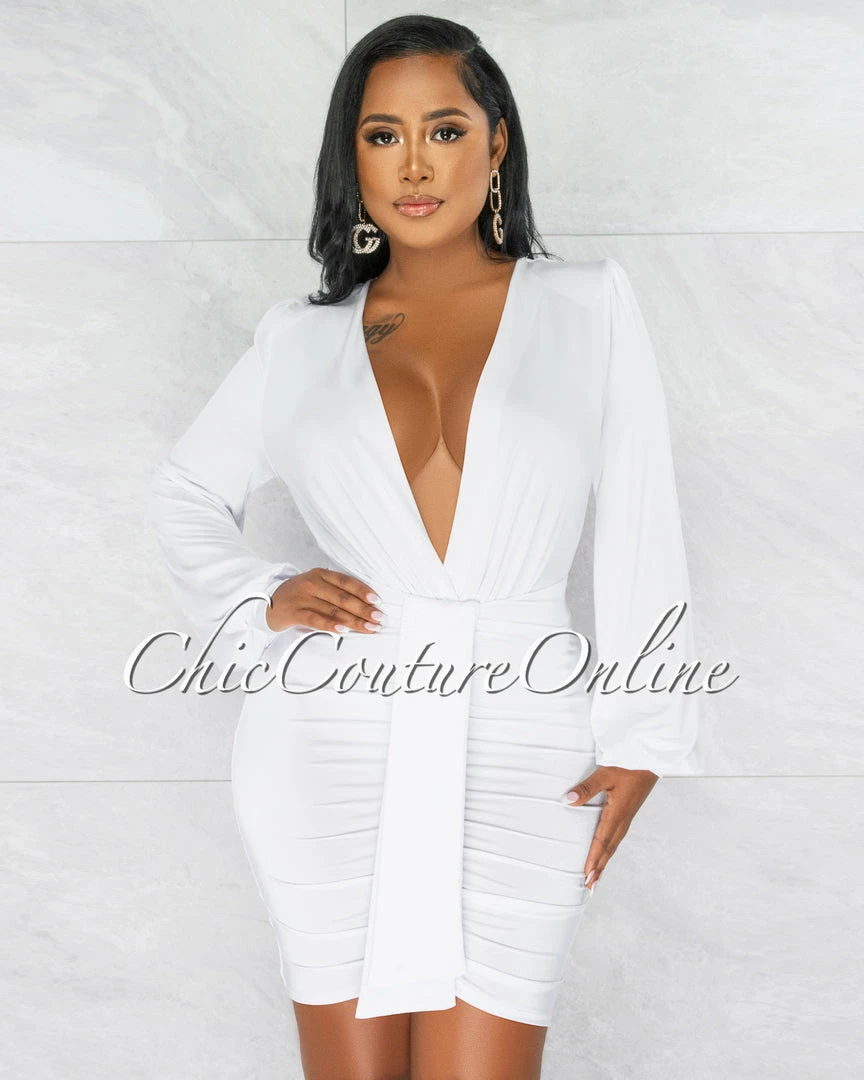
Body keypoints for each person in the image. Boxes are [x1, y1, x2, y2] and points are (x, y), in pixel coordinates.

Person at [149, 14, 700, 1080]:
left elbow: (645, 510)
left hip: (526, 738)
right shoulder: (297, 341)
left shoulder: (588, 306)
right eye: (382, 135)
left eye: (444, 130)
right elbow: (183, 495)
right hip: (325, 741)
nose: (413, 164)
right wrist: (263, 593)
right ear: (350, 158)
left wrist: (646, 733)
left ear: (497, 143)